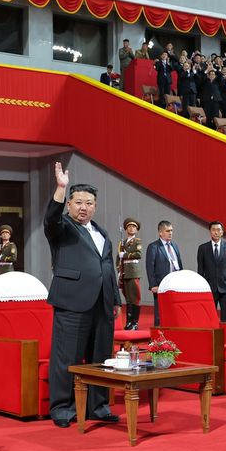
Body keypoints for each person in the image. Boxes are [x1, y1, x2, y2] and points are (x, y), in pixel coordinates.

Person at [44, 162, 120, 428]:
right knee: (68, 357)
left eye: (89, 203)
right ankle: (63, 409)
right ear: (69, 204)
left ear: (95, 206)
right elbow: (50, 219)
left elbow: (108, 267)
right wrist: (60, 187)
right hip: (72, 301)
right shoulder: (62, 227)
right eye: (78, 202)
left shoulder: (101, 232)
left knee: (101, 358)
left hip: (102, 303)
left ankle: (98, 406)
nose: (83, 207)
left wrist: (115, 299)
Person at [196, 221, 226, 322]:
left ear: (222, 232)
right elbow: (200, 270)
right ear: (210, 232)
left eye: (218, 230)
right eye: (213, 230)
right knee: (210, 315)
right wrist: (201, 286)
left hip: (225, 286)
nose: (216, 232)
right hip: (209, 286)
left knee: (225, 315)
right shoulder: (203, 248)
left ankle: (225, 331)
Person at [146, 220, 182, 326]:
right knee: (160, 312)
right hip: (160, 284)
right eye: (167, 231)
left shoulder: (174, 246)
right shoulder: (153, 247)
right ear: (160, 232)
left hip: (175, 284)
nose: (170, 233)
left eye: (171, 230)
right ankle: (158, 333)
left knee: (174, 310)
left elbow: (179, 264)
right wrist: (153, 285)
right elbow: (150, 267)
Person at [117, 218, 143, 330]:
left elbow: (138, 254)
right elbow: (118, 258)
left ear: (136, 230)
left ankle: (135, 323)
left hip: (133, 272)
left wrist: (125, 255)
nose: (131, 228)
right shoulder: (122, 243)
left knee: (135, 297)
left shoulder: (137, 241)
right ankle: (128, 322)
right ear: (126, 229)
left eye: (134, 227)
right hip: (125, 272)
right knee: (128, 298)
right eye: (129, 227)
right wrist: (119, 270)